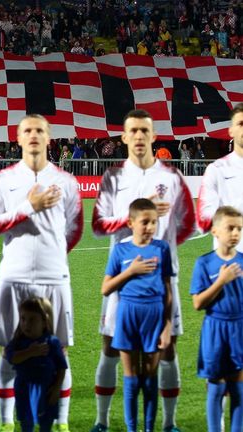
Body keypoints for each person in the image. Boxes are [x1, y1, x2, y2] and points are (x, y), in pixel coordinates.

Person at [91, 109, 195, 432]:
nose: (138, 136)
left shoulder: (173, 178)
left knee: (167, 346)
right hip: (123, 275)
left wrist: (159, 247)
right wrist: (132, 215)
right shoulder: (112, 178)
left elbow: (189, 223)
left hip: (163, 276)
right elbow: (97, 225)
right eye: (132, 131)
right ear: (123, 137)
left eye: (144, 131)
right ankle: (102, 421)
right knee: (110, 345)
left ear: (153, 136)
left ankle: (168, 422)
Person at [0, 114, 82, 432]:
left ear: (49, 136)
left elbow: (74, 230)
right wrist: (28, 206)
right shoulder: (2, 180)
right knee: (9, 347)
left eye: (40, 130)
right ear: (18, 137)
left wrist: (51, 253)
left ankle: (63, 421)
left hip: (55, 275)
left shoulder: (67, 182)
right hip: (14, 275)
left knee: (60, 348)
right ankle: (6, 422)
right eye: (28, 130)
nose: (34, 135)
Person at [101, 198, 173, 432]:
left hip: (154, 315)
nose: (150, 227)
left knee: (150, 375)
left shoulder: (162, 248)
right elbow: (106, 288)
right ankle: (133, 429)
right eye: (145, 222)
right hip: (128, 314)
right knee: (131, 376)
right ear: (131, 223)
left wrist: (167, 325)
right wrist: (131, 271)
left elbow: (167, 289)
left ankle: (149, 428)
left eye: (154, 222)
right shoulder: (121, 250)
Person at [191, 206, 243, 432]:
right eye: (230, 228)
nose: (235, 233)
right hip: (215, 328)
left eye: (239, 229)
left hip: (239, 328)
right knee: (216, 386)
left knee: (238, 388)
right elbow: (197, 303)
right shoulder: (204, 263)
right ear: (214, 231)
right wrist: (221, 281)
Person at [3, 297, 67, 432]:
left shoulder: (52, 342)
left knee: (46, 422)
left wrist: (56, 388)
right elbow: (12, 358)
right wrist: (30, 352)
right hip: (24, 388)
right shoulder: (18, 342)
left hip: (47, 388)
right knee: (26, 422)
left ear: (44, 321)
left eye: (32, 319)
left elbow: (62, 367)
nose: (26, 324)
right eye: (23, 319)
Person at [197, 103, 243, 236]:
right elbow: (203, 221)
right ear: (231, 131)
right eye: (241, 123)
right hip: (229, 255)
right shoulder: (216, 170)